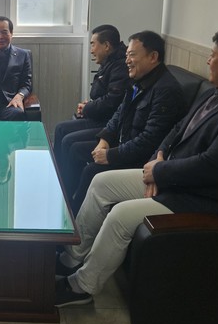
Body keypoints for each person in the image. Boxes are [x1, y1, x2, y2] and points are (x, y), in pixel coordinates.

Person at [55, 25, 218, 307]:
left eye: (213, 56)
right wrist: (159, 158)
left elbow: (213, 166)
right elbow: (177, 129)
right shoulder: (217, 93)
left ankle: (81, 286)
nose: (208, 61)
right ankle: (72, 257)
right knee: (102, 183)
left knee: (121, 216)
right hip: (174, 177)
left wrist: (160, 172)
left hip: (204, 199)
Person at [62, 31, 186, 211]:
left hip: (141, 158)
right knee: (75, 149)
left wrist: (111, 155)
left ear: (153, 57)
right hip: (123, 143)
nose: (127, 60)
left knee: (91, 170)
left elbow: (149, 141)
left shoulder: (166, 90)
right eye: (127, 55)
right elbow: (119, 113)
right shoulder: (138, 80)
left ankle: (73, 215)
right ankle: (66, 198)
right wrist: (104, 139)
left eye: (132, 55)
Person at [53, 24, 129, 180]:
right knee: (60, 128)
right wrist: (89, 105)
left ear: (106, 46)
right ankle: (58, 175)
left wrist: (88, 108)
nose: (91, 50)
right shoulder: (109, 62)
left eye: (93, 45)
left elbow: (112, 101)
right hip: (99, 116)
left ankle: (66, 184)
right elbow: (104, 95)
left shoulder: (120, 66)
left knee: (69, 141)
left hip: (107, 122)